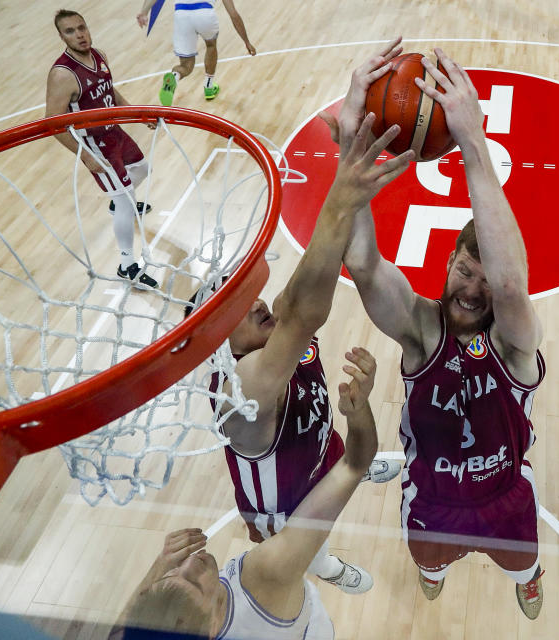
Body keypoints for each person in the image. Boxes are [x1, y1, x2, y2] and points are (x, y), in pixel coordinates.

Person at [331, 43, 547, 618]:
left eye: (484, 278)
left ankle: (526, 577)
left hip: (506, 498)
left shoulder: (514, 341)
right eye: (463, 270)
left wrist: (473, 143)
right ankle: (434, 570)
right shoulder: (422, 330)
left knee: (524, 564)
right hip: (432, 498)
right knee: (429, 565)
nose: (473, 289)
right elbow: (365, 265)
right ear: (448, 259)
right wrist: (349, 152)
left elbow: (509, 288)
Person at [183, 77, 412, 595]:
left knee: (330, 448)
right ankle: (324, 567)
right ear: (220, 338)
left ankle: (352, 461)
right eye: (241, 306)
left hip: (314, 443)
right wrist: (340, 198)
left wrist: (346, 158)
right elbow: (309, 312)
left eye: (250, 294)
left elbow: (316, 271)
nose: (260, 303)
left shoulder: (266, 328)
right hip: (284, 509)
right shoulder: (243, 388)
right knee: (315, 536)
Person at [113, 346, 380, 639]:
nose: (188, 562)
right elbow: (354, 464)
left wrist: (159, 568)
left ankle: (325, 566)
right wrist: (359, 408)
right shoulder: (266, 576)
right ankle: (328, 568)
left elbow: (119, 634)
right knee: (307, 552)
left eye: (174, 574)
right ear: (213, 626)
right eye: (194, 581)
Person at [46, 9, 158, 288]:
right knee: (125, 198)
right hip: (95, 145)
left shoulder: (100, 55)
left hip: (114, 133)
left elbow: (111, 91)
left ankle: (117, 199)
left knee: (143, 169)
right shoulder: (62, 75)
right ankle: (126, 265)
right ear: (61, 37)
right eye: (70, 31)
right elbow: (52, 123)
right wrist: (85, 156)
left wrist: (136, 112)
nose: (79, 34)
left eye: (81, 27)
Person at [137, 0, 256, 104]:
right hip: (205, 14)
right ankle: (209, 86)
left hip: (181, 16)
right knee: (211, 45)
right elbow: (234, 14)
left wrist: (144, 11)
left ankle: (174, 76)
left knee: (186, 65)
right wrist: (246, 41)